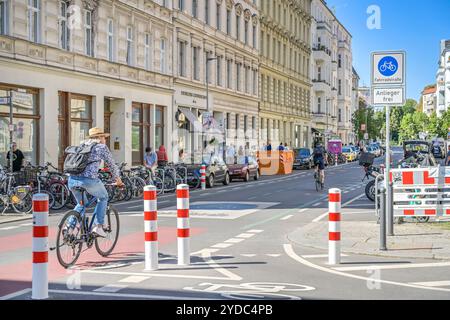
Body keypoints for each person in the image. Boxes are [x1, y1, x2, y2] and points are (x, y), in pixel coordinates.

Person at [67, 127, 123, 238]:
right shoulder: (101, 147)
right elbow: (111, 165)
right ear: (100, 137)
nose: (105, 140)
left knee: (82, 204)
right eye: (104, 137)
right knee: (103, 197)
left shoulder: (81, 146)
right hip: (89, 180)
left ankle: (69, 227)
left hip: (72, 180)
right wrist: (118, 180)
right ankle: (98, 226)